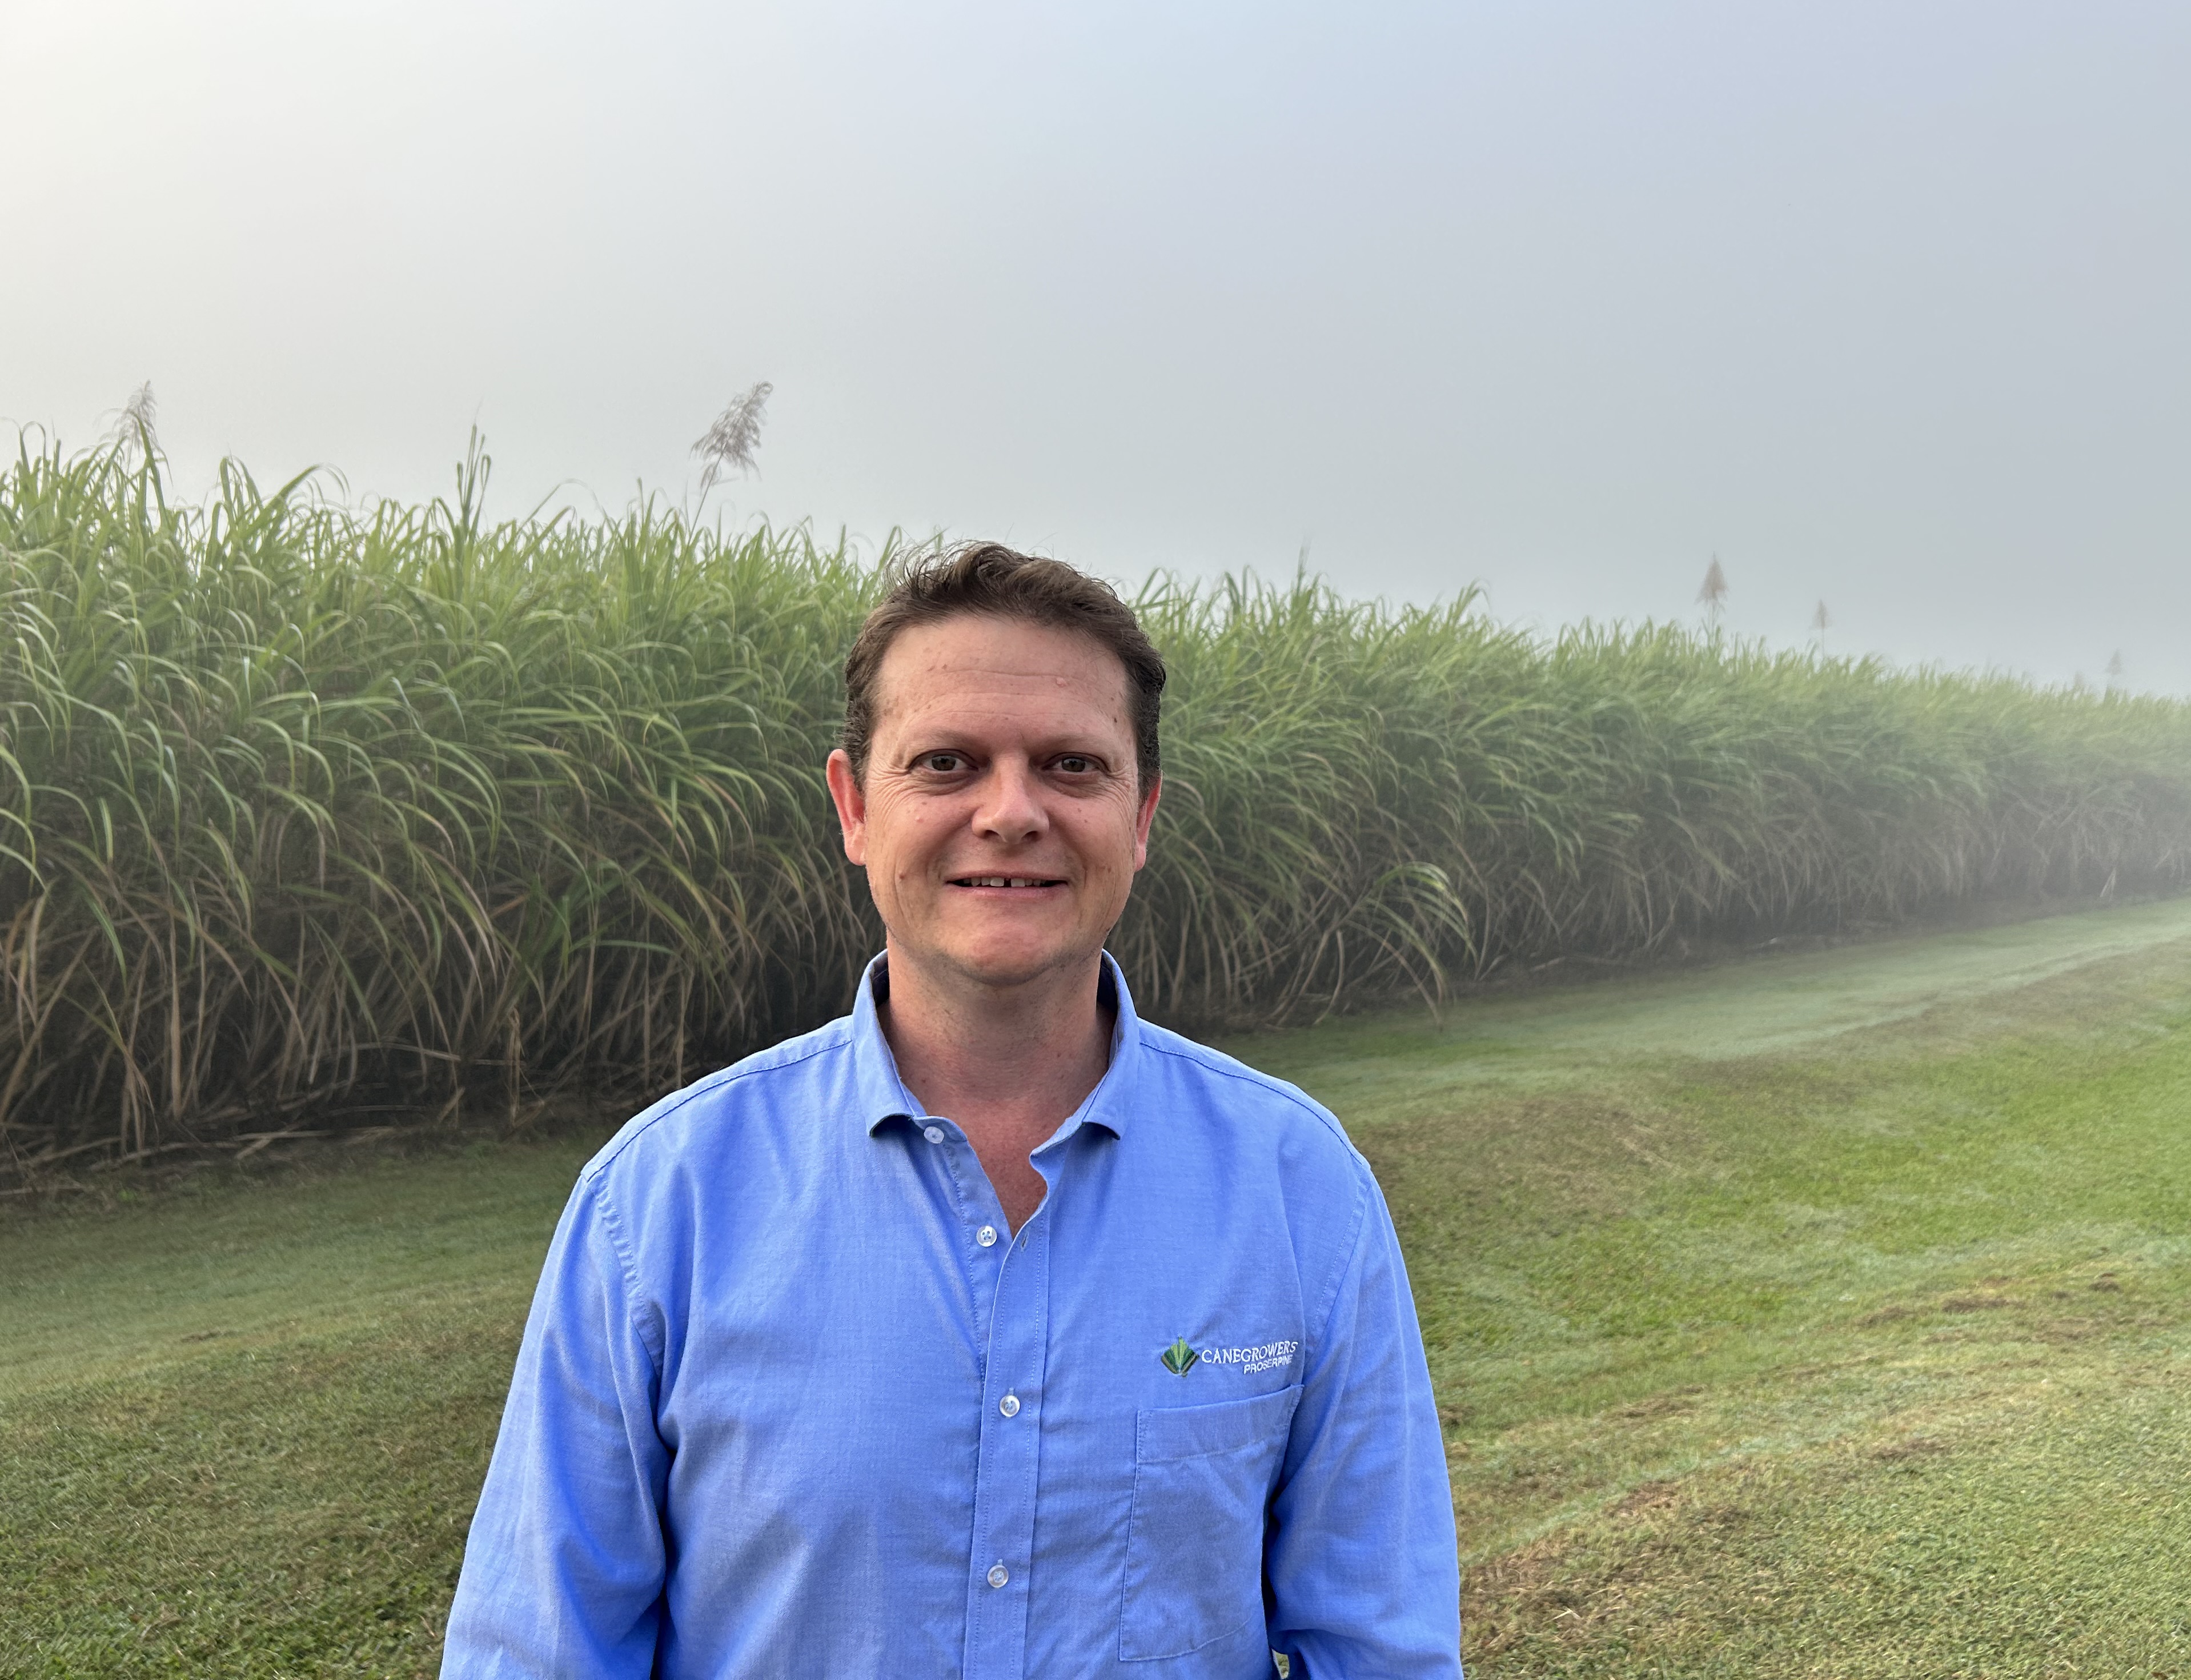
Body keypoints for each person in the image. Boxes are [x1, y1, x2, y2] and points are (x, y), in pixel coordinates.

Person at [440, 544, 1462, 1677]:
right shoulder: (657, 1207)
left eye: (1072, 765)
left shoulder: (1301, 1190)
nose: (1012, 812)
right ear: (855, 808)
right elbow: (537, 1654)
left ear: (1142, 815)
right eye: (946, 763)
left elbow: (1383, 1649)